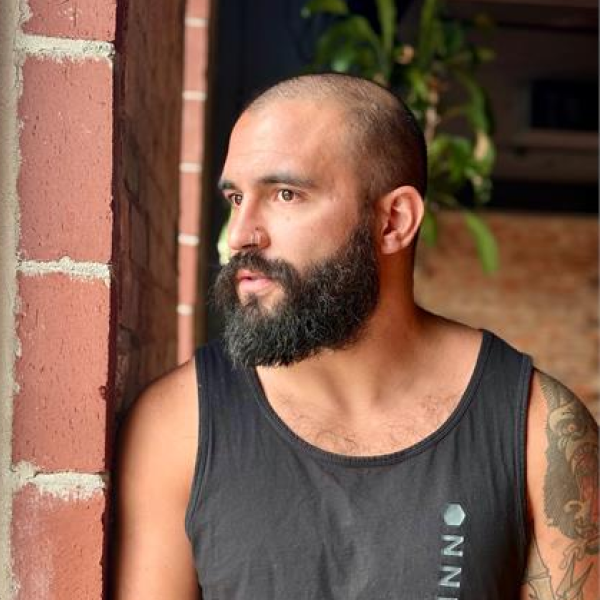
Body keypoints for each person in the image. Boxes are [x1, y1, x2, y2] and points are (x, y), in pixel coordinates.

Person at [112, 74, 598, 600]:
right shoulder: (177, 425)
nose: (239, 236)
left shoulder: (537, 429)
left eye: (285, 194)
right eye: (235, 198)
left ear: (393, 221)